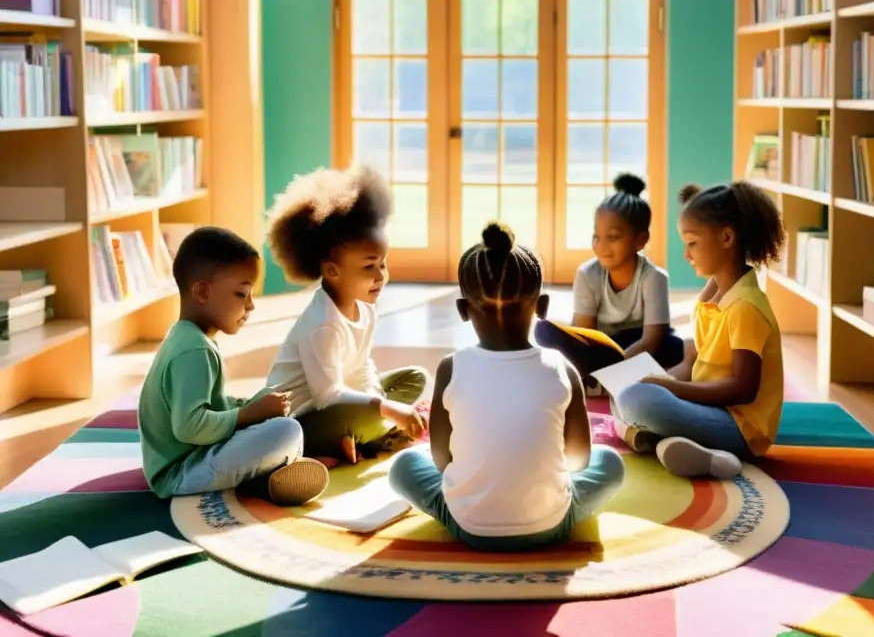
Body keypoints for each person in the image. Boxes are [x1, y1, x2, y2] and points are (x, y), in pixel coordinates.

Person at [388, 222, 625, 552]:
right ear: (542, 307)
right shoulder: (563, 369)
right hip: (551, 525)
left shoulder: (450, 368)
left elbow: (442, 461)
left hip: (469, 527)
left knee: (403, 466)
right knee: (610, 462)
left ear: (462, 310)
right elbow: (579, 459)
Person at [138, 227, 329, 506]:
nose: (250, 306)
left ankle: (273, 472)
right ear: (202, 291)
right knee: (287, 432)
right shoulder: (193, 350)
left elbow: (208, 405)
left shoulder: (189, 337)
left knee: (277, 413)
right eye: (242, 294)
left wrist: (249, 404)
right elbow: (190, 428)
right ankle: (265, 481)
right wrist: (247, 414)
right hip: (180, 472)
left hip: (193, 455)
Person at [613, 181, 786, 480]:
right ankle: (688, 450)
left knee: (639, 401)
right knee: (626, 394)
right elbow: (691, 365)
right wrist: (659, 380)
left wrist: (667, 388)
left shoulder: (746, 306)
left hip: (741, 429)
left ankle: (684, 445)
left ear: (727, 237)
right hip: (710, 410)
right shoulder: (710, 299)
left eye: (692, 243)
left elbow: (743, 389)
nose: (686, 255)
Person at [263, 166, 427, 465]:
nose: (381, 276)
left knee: (414, 378)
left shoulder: (364, 307)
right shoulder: (323, 324)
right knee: (383, 411)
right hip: (299, 420)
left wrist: (379, 402)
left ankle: (359, 438)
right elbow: (327, 396)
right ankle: (347, 442)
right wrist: (386, 410)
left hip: (337, 407)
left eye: (383, 264)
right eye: (368, 267)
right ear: (332, 271)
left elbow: (362, 367)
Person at [535, 173, 682, 381]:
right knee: (546, 333)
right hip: (602, 344)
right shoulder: (588, 274)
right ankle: (603, 376)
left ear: (641, 240)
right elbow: (584, 332)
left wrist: (613, 371)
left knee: (676, 347)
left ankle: (603, 378)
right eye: (597, 236)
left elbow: (652, 340)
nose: (602, 246)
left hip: (639, 345)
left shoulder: (655, 278)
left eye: (613, 237)